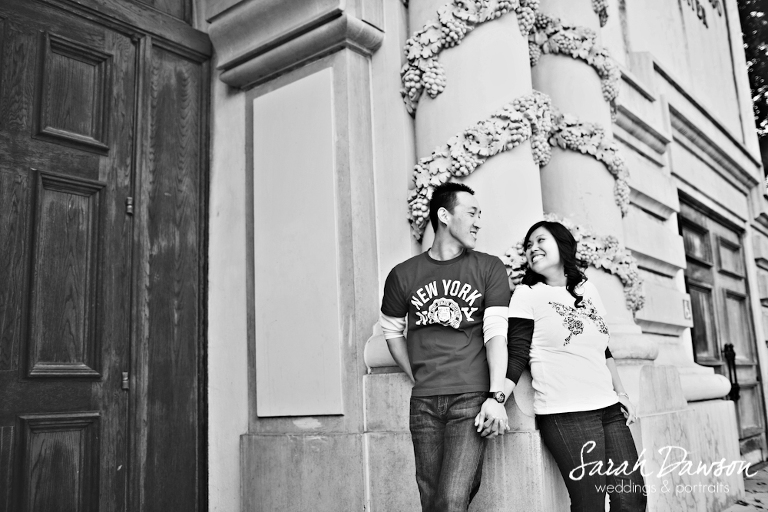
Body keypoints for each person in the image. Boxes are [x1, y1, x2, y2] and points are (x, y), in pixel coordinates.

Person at [380, 182, 512, 512]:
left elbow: (496, 335)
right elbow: (392, 331)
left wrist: (496, 397)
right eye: (472, 213)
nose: (479, 222)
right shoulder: (402, 274)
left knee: (452, 498)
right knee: (431, 500)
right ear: (444, 215)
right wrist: (417, 375)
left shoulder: (489, 267)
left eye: (480, 214)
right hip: (423, 402)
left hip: (471, 398)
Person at [502, 220, 646, 511]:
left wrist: (621, 393)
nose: (533, 248)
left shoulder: (587, 289)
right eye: (528, 245)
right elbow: (516, 355)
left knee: (632, 497)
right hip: (566, 413)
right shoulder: (526, 295)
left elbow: (603, 348)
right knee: (590, 503)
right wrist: (496, 399)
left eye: (540, 240)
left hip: (608, 409)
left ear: (562, 244)